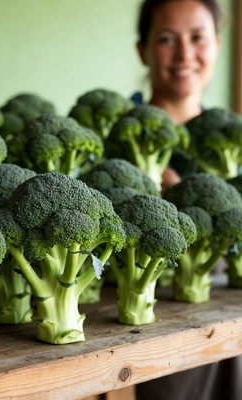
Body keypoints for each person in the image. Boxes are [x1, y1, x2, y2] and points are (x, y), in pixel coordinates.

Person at [133, 1, 242, 400]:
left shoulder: (232, 140)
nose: (184, 54)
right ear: (142, 49)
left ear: (216, 43)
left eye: (198, 38)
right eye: (166, 39)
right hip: (149, 334)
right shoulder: (113, 142)